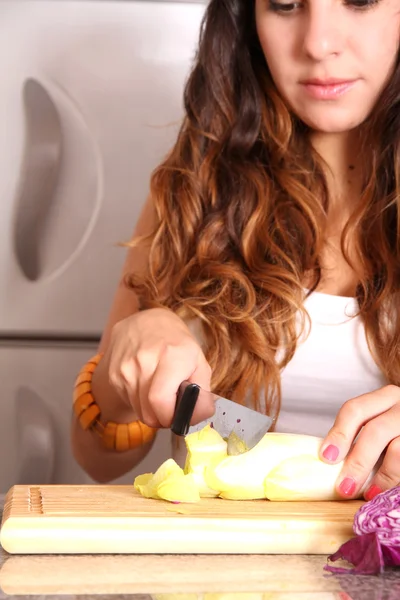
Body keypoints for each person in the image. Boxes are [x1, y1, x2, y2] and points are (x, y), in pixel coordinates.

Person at [71, 0, 400, 502]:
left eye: (359, 1)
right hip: (220, 562)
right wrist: (124, 362)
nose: (317, 43)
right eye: (285, 4)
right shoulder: (198, 185)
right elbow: (95, 459)